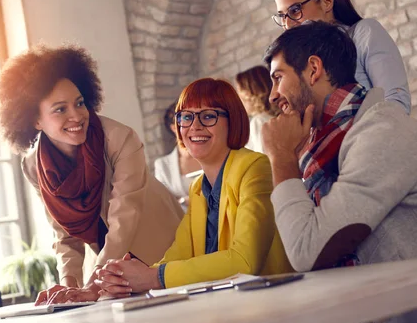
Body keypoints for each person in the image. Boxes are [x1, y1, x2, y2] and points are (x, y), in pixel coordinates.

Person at [261, 21, 417, 323]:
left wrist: (280, 157)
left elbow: (307, 250)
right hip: (398, 319)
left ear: (313, 69)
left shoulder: (380, 133)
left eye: (278, 78)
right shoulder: (338, 140)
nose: (272, 96)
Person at [0, 44, 183, 305]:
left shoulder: (120, 138)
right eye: (60, 109)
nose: (77, 116)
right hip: (107, 267)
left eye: (79, 103)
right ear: (35, 120)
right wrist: (68, 287)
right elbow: (65, 232)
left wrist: (96, 281)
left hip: (163, 249)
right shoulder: (33, 166)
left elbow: (125, 215)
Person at [94, 78, 293, 296]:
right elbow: (178, 254)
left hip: (271, 305)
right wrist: (118, 280)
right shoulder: (198, 188)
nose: (194, 126)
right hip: (228, 306)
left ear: (233, 121)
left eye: (208, 116)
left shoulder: (253, 167)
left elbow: (246, 260)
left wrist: (153, 277)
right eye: (186, 117)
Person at [272, 0, 411, 114]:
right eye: (282, 16)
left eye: (295, 10)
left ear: (326, 1)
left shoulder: (363, 33)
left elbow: (396, 104)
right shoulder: (302, 61)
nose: (287, 25)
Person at [154, 101, 201, 210]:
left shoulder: (213, 152)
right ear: (174, 128)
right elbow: (163, 202)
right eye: (186, 120)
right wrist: (184, 201)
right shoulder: (163, 165)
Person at [235, 66, 279, 153]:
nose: (238, 98)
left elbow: (264, 161)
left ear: (251, 93)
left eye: (239, 92)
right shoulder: (281, 117)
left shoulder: (259, 122)